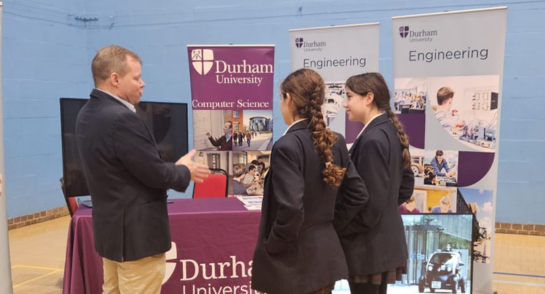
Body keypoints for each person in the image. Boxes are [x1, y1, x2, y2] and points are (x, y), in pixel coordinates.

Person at [76, 45, 210, 294]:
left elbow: (127, 171)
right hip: (137, 238)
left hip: (112, 236)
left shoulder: (86, 114)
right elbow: (154, 173)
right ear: (115, 79)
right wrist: (184, 171)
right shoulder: (122, 119)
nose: (143, 83)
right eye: (136, 78)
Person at [252, 69, 368, 294]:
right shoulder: (336, 141)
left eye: (281, 98)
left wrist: (273, 244)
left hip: (293, 263)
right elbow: (358, 195)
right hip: (325, 259)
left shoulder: (287, 146)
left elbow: (292, 209)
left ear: (289, 99)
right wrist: (327, 226)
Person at [337, 72, 415, 294]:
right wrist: (385, 206)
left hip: (368, 246)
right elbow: (404, 187)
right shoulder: (388, 130)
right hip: (381, 242)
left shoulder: (372, 139)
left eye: (350, 96)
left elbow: (371, 204)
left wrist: (340, 227)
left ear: (368, 97)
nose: (345, 103)